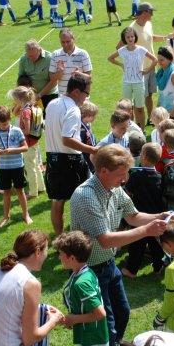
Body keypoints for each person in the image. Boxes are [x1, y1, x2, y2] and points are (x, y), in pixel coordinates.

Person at [70, 144, 170, 346]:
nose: (125, 180)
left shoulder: (114, 188)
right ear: (103, 171)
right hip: (90, 270)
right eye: (120, 175)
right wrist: (147, 231)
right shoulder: (86, 196)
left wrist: (160, 217)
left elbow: (133, 216)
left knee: (122, 312)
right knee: (106, 323)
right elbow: (106, 240)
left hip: (108, 264)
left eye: (126, 174)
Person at [44, 73, 96, 237]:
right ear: (76, 92)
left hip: (52, 159)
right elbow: (67, 140)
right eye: (86, 93)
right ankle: (81, 238)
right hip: (70, 162)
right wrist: (93, 150)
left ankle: (60, 239)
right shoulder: (73, 110)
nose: (87, 98)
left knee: (57, 202)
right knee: (84, 200)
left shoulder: (52, 103)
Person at [56, 231, 108, 346]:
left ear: (71, 258)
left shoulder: (81, 283)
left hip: (91, 338)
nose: (59, 257)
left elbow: (100, 313)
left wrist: (74, 319)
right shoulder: (82, 272)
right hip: (90, 334)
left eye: (61, 254)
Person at [122, 142, 166, 277]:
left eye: (141, 153)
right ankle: (159, 266)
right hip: (155, 215)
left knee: (136, 243)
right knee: (156, 243)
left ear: (144, 157)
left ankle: (131, 270)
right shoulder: (160, 177)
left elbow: (127, 193)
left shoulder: (135, 176)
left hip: (139, 217)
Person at [108, 27, 157, 129]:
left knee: (139, 108)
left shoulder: (141, 50)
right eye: (128, 37)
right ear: (124, 38)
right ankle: (129, 129)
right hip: (126, 83)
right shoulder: (122, 50)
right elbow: (110, 58)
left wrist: (147, 70)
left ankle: (141, 130)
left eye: (132, 36)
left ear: (135, 37)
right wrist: (121, 65)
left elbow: (155, 60)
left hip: (139, 82)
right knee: (127, 109)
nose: (130, 39)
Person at [0, 106, 31, 227]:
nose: (3, 126)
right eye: (0, 124)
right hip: (3, 167)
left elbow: (25, 147)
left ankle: (26, 214)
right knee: (6, 192)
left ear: (10, 119)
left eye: (5, 124)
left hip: (17, 166)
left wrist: (12, 150)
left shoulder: (17, 131)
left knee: (20, 191)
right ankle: (5, 216)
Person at [128, 3, 167, 125]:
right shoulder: (131, 29)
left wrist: (166, 37)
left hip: (151, 66)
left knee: (149, 94)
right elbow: (122, 46)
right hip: (140, 70)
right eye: (151, 12)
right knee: (139, 99)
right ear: (144, 13)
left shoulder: (148, 24)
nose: (152, 14)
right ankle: (138, 124)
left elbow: (151, 38)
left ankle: (151, 118)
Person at [10, 86, 45, 200]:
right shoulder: (31, 106)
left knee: (30, 167)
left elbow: (27, 130)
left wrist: (16, 131)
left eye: (15, 99)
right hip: (34, 141)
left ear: (19, 99)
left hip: (28, 143)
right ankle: (41, 187)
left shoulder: (25, 111)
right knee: (36, 165)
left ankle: (33, 192)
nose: (14, 102)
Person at [49, 28, 93, 97]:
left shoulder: (83, 54)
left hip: (80, 97)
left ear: (73, 39)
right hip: (63, 97)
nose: (65, 44)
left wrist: (79, 75)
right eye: (63, 42)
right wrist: (60, 72)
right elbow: (52, 79)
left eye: (68, 41)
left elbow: (89, 78)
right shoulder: (55, 55)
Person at [18, 39, 59, 106]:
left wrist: (39, 95)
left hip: (50, 95)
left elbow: (54, 81)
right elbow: (21, 79)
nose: (31, 58)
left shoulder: (50, 58)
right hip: (31, 96)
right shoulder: (23, 59)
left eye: (33, 56)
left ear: (39, 50)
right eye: (29, 56)